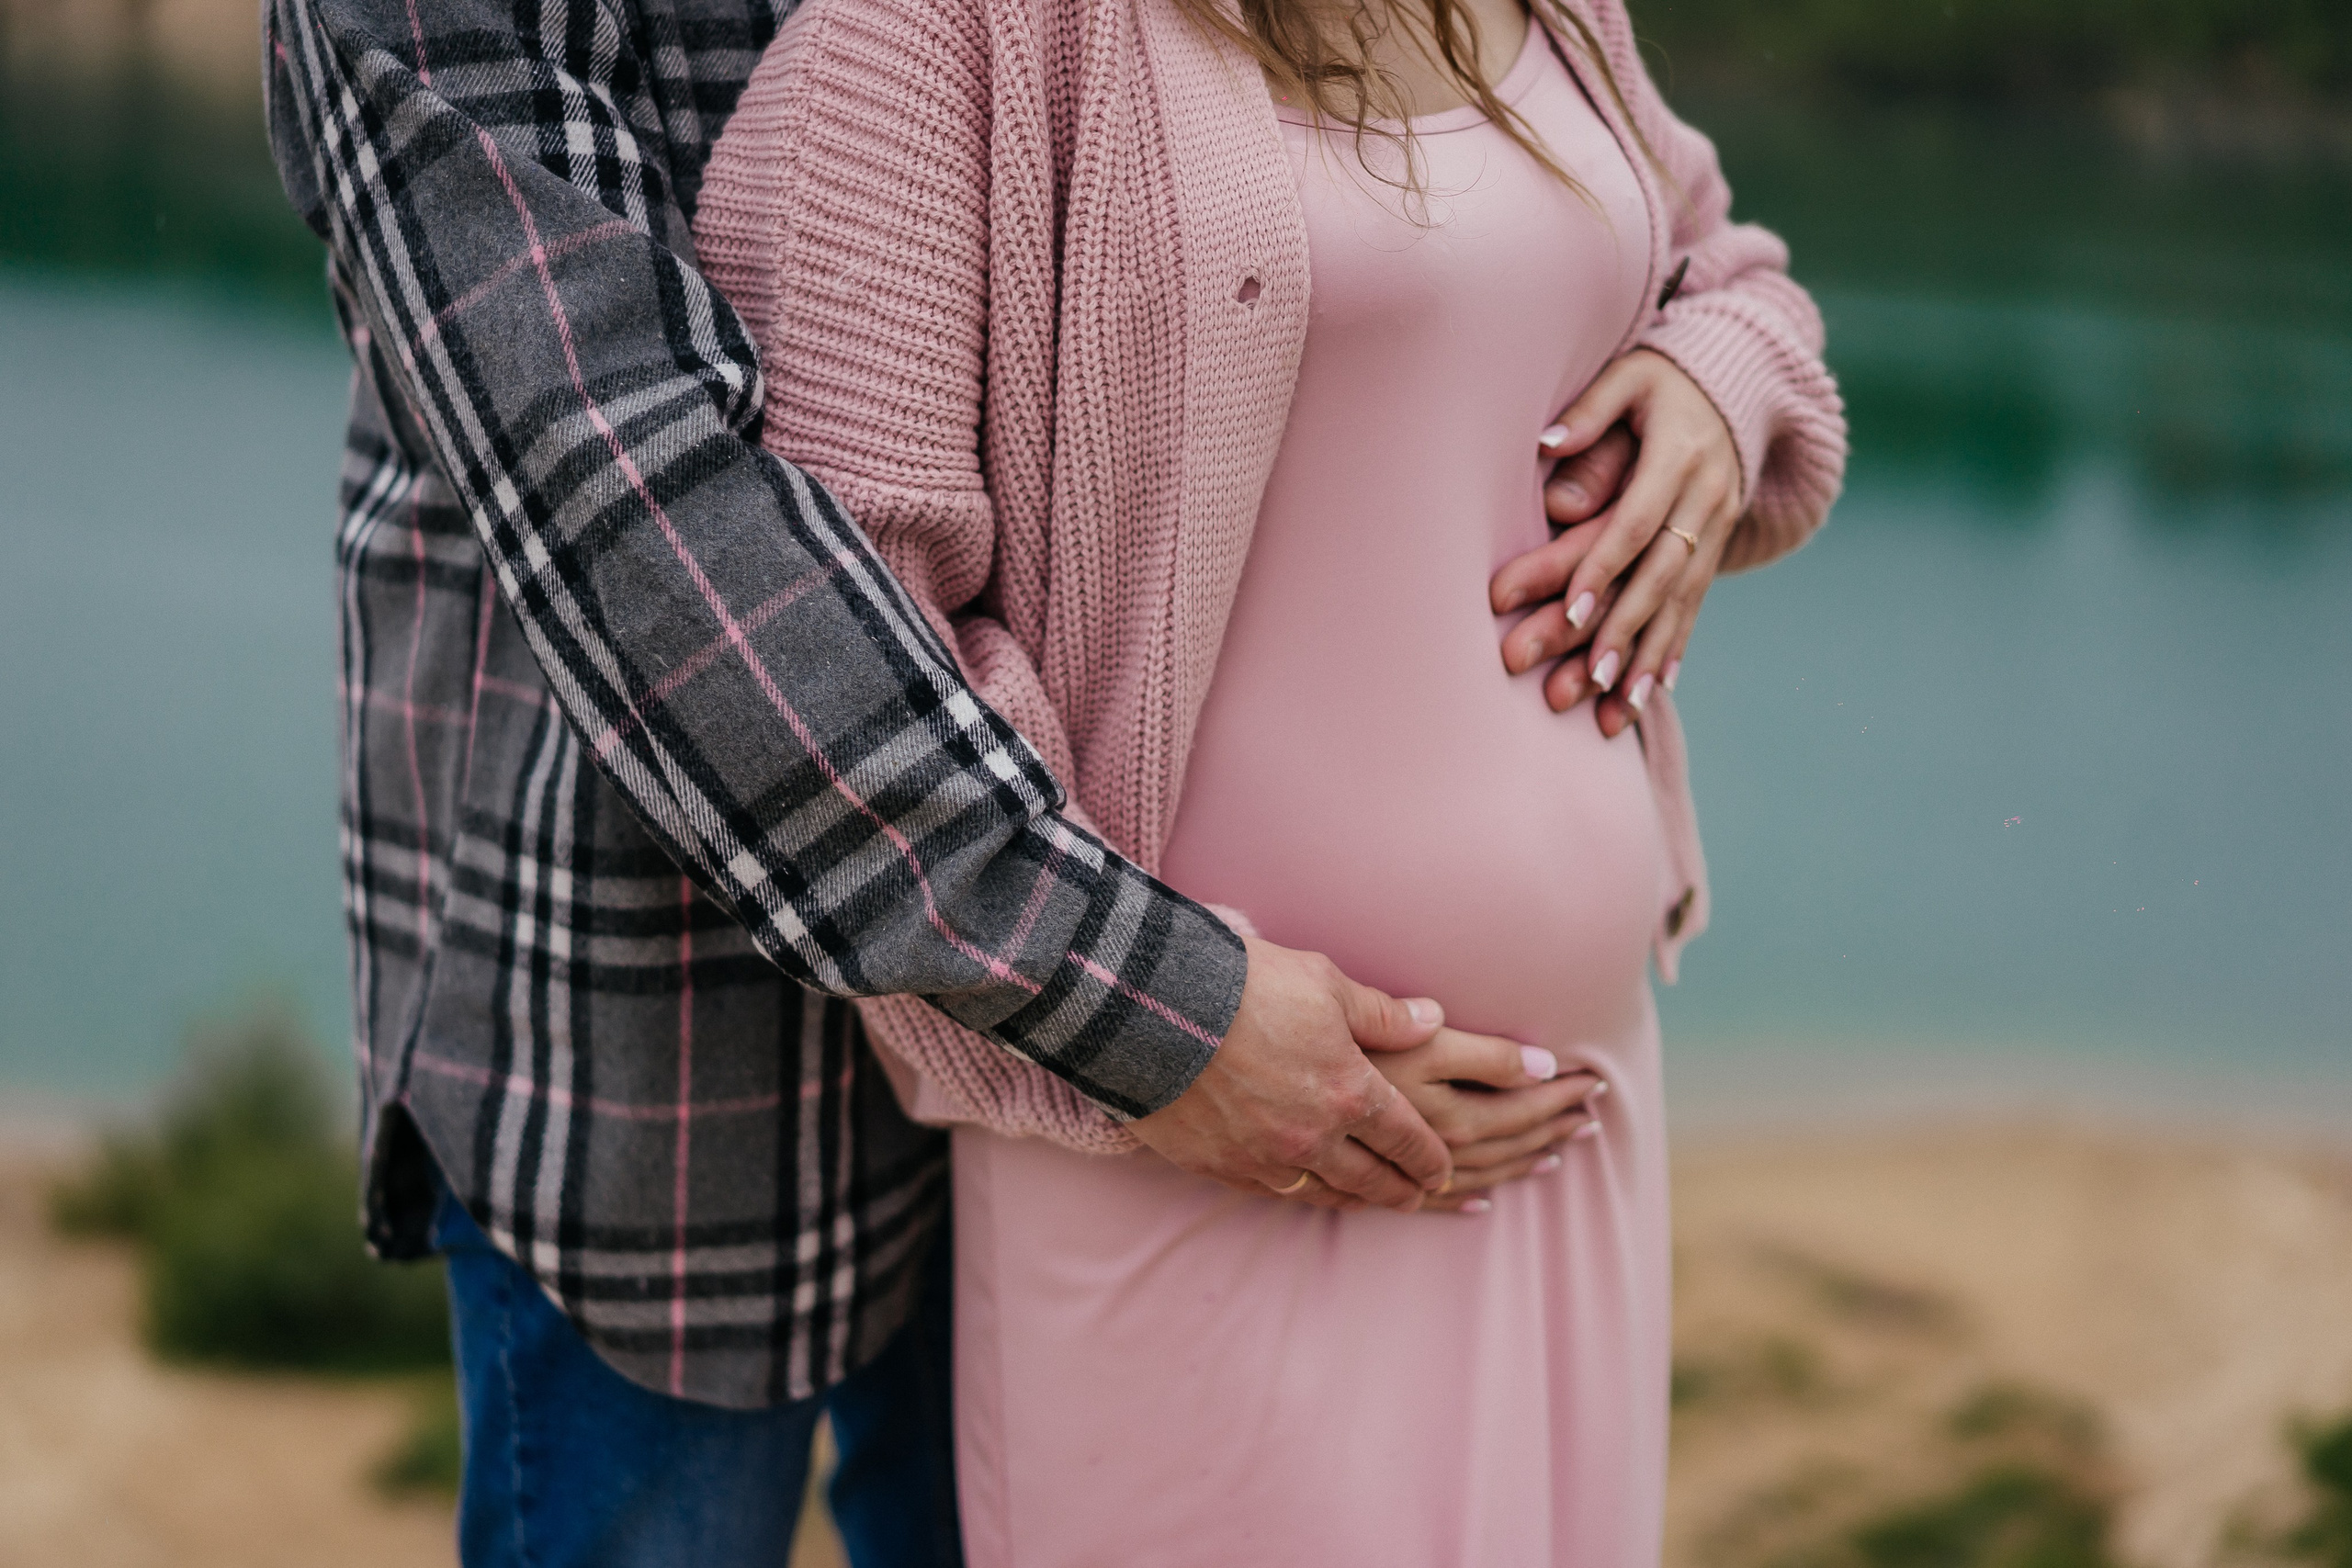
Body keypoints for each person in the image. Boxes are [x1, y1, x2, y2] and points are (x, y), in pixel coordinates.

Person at [260, 0, 1642, 1559]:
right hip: (676, 1024)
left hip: (1137, 1024)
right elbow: (637, 498)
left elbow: (1551, 184)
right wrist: (1148, 1002)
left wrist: (1726, 373)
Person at [695, 0, 1845, 1556]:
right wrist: (1155, 1027)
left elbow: (1726, 271)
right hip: (1195, 1146)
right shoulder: (933, 34)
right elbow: (838, 653)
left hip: (1568, 1136)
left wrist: (1721, 380)